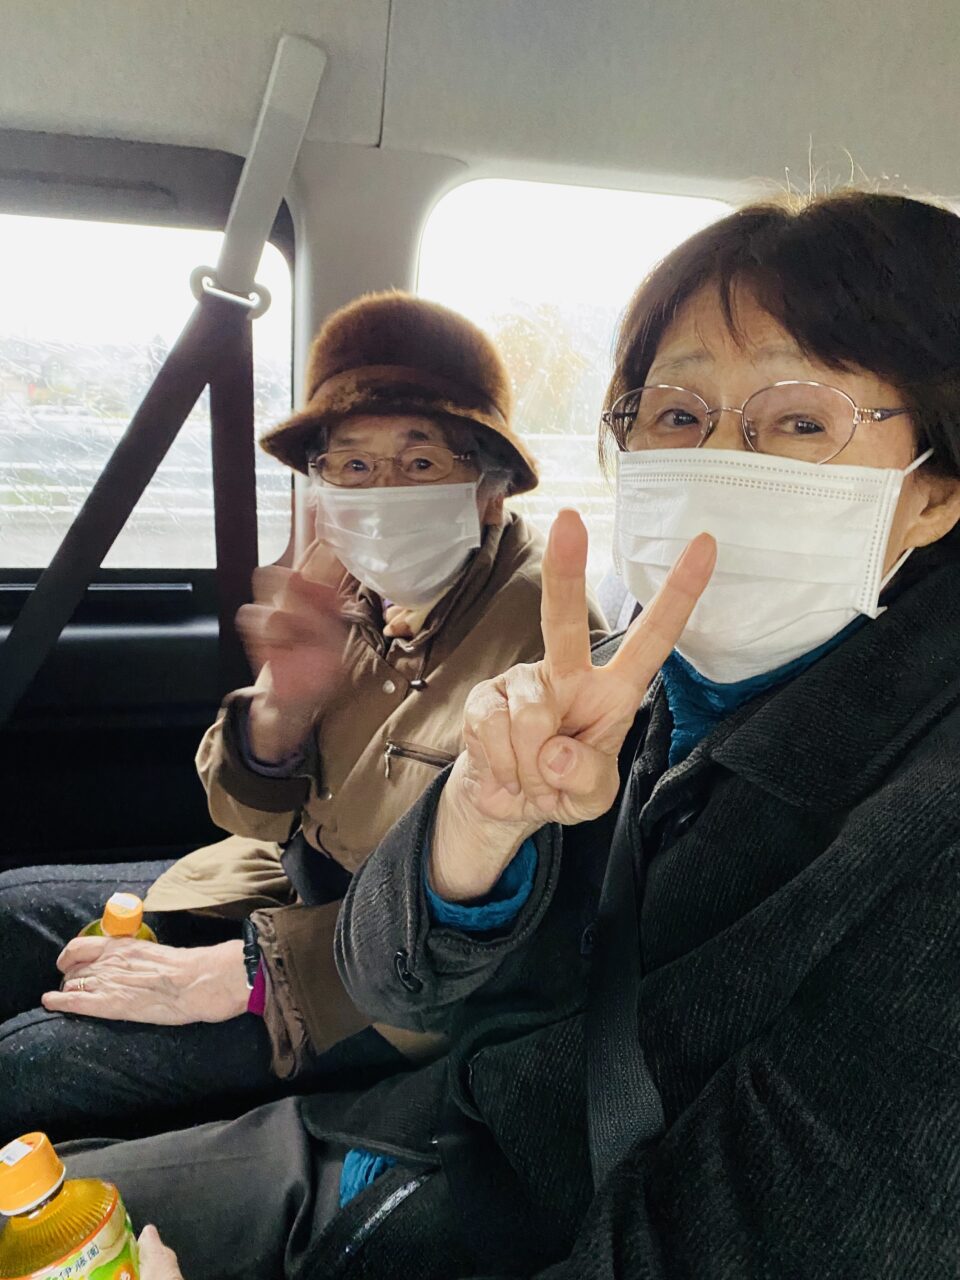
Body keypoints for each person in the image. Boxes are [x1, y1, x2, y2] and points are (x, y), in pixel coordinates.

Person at [58, 190, 960, 1278]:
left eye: (801, 421)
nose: (722, 457)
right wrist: (465, 824)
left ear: (935, 493)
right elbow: (377, 947)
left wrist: (261, 975)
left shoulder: (911, 818)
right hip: (441, 1117)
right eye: (677, 415)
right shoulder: (630, 682)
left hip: (504, 1184)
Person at [0, 292, 607, 1144]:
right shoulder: (349, 590)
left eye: (420, 461)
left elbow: (518, 940)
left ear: (488, 490)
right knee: (9, 918)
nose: (381, 492)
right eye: (352, 466)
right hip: (287, 889)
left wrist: (259, 973)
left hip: (394, 994)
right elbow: (247, 818)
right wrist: (282, 709)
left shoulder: (548, 639)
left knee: (29, 1066)